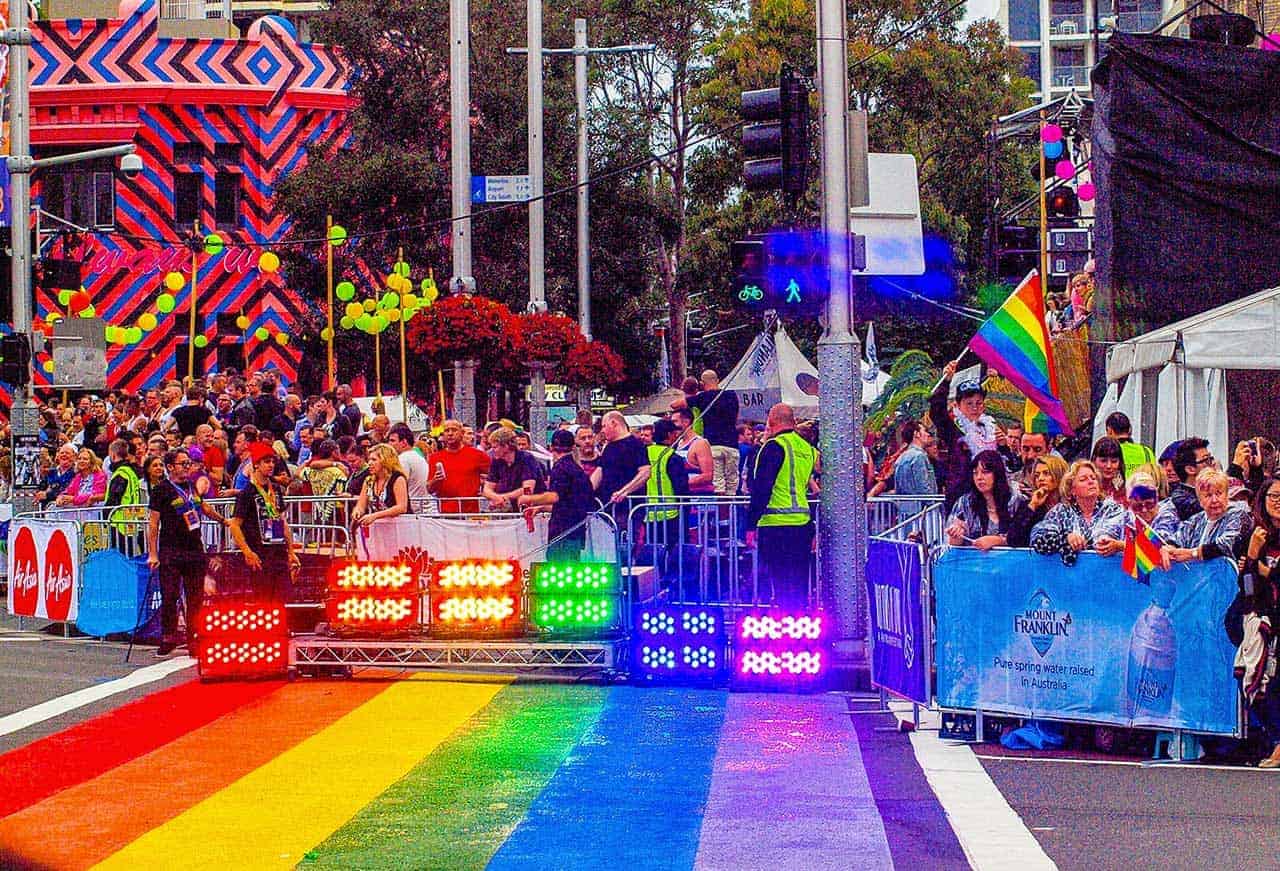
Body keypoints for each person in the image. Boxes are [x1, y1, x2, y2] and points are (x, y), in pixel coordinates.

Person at [147, 449, 226, 656]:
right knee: (170, 595)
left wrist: (223, 520)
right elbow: (154, 523)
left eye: (188, 463)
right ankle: (168, 637)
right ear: (170, 467)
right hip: (171, 550)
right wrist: (153, 554)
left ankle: (194, 638)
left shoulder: (191, 487)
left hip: (194, 549)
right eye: (183, 464)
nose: (187, 467)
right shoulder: (161, 490)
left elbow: (204, 507)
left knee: (195, 597)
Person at [745, 403, 816, 604]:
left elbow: (761, 488)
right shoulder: (807, 449)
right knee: (800, 581)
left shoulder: (774, 446)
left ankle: (784, 627)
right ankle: (801, 628)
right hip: (802, 523)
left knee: (781, 581)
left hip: (775, 526)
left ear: (771, 422)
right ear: (793, 422)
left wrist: (751, 525)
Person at [1237, 478, 1280, 768]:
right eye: (1274, 495)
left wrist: (1263, 570)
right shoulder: (1255, 533)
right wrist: (1253, 556)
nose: (1278, 501)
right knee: (1255, 681)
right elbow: (1246, 585)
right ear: (1262, 499)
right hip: (1262, 620)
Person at [228, 442, 300, 598]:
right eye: (267, 462)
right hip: (260, 555)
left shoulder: (276, 490)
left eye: (273, 461)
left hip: (279, 553)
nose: (271, 465)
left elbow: (282, 521)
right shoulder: (247, 493)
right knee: (264, 602)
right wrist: (248, 552)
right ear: (256, 465)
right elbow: (234, 525)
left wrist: (291, 551)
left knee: (282, 600)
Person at [520, 429, 597, 561]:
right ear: (573, 447)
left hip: (562, 532)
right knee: (572, 572)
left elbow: (554, 497)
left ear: (551, 448)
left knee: (558, 571)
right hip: (576, 530)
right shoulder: (578, 470)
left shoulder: (560, 468)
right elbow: (568, 502)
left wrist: (529, 498)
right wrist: (541, 508)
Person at [1030, 459, 1127, 565]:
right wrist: (1066, 538)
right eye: (1083, 479)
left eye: (1093, 478)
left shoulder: (1113, 509)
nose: (1091, 481)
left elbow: (1111, 539)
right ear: (1072, 490)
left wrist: (1119, 545)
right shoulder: (1060, 511)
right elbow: (1038, 540)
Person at [930, 359, 999, 505]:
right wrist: (946, 381)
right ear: (958, 405)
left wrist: (1004, 445)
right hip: (960, 499)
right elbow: (937, 412)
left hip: (989, 499)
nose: (974, 408)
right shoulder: (954, 430)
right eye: (969, 403)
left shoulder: (990, 429)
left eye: (978, 403)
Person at [1161, 468, 1252, 567]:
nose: (1214, 500)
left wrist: (1192, 554)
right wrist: (1168, 548)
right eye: (1208, 495)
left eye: (1218, 493)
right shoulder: (1196, 520)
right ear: (1200, 500)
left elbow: (1226, 544)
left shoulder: (1238, 515)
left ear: (1226, 495)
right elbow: (1177, 538)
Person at [672, 369, 741, 496]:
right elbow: (736, 418)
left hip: (713, 444)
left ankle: (721, 515)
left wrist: (691, 394)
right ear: (718, 381)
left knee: (718, 485)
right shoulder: (732, 395)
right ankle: (731, 513)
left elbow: (674, 405)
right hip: (732, 444)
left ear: (702, 383)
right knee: (732, 485)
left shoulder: (703, 397)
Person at [945, 450, 1022, 551]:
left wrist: (997, 540)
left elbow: (1022, 537)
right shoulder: (965, 502)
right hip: (974, 562)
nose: (979, 478)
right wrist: (956, 534)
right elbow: (953, 545)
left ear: (997, 474)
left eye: (985, 472)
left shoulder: (1016, 500)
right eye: (975, 473)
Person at [1093, 469, 1180, 557]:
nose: (1144, 510)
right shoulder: (1127, 516)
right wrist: (1104, 539)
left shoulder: (1168, 514)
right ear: (1128, 502)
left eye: (1149, 504)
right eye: (1137, 506)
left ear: (1157, 498)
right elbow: (1102, 532)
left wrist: (1120, 546)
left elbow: (1157, 545)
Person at [591, 411, 651, 521]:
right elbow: (599, 471)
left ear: (614, 423)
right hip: (607, 509)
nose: (603, 430)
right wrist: (585, 490)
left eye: (604, 426)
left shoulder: (636, 445)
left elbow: (645, 472)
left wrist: (625, 491)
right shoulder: (608, 447)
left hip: (628, 509)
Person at [643, 419, 692, 551]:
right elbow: (681, 488)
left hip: (647, 513)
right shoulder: (672, 457)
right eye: (675, 434)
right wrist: (686, 510)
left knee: (653, 553)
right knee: (674, 553)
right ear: (670, 435)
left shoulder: (644, 453)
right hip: (671, 515)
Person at [428, 419, 491, 513]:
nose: (450, 433)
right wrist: (435, 480)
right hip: (446, 515)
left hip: (471, 514)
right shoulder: (435, 458)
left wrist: (485, 489)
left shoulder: (478, 455)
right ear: (443, 435)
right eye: (447, 430)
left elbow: (495, 477)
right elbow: (429, 489)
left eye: (454, 430)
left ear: (462, 433)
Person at [1007, 455, 1067, 548]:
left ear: (1059, 475)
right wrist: (1032, 506)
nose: (1040, 478)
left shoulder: (1071, 505)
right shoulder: (1028, 505)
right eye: (1036, 475)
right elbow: (1012, 539)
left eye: (1046, 473)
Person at [483, 427, 545, 510]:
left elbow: (528, 489)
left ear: (506, 446)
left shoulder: (527, 458)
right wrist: (496, 497)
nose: (492, 451)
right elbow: (486, 489)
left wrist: (503, 497)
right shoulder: (496, 460)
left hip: (534, 508)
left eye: (495, 447)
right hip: (511, 508)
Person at [352, 443, 412, 529]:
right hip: (382, 527)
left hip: (402, 526)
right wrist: (357, 511)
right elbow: (361, 504)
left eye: (374, 460)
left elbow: (402, 507)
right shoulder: (369, 480)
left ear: (385, 461)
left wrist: (375, 516)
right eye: (369, 460)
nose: (369, 463)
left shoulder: (398, 478)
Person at [892, 419, 938, 522]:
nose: (927, 434)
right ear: (916, 434)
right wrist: (933, 506)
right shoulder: (919, 456)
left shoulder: (901, 457)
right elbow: (923, 487)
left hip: (905, 511)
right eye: (924, 431)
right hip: (921, 513)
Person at [671, 407, 715, 495]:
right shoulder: (678, 443)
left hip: (700, 499)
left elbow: (708, 475)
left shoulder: (700, 443)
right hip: (686, 497)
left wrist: (680, 483)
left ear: (686, 422)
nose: (672, 426)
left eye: (675, 422)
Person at [1169, 437, 1213, 521]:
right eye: (1206, 460)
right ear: (1190, 469)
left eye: (1211, 459)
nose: (1212, 464)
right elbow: (1211, 509)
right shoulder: (1180, 498)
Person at [1104, 411, 1156, 477]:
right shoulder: (1147, 451)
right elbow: (1155, 476)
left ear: (1110, 430)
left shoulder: (1106, 452)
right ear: (1129, 429)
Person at [387, 422, 430, 501]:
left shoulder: (403, 458)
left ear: (404, 442)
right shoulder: (416, 455)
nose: (389, 444)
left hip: (414, 509)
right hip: (422, 507)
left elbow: (398, 484)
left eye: (392, 441)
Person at [1091, 437, 1127, 506]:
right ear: (1094, 460)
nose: (1108, 466)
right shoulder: (1085, 489)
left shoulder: (1124, 493)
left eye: (1114, 461)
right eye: (1103, 460)